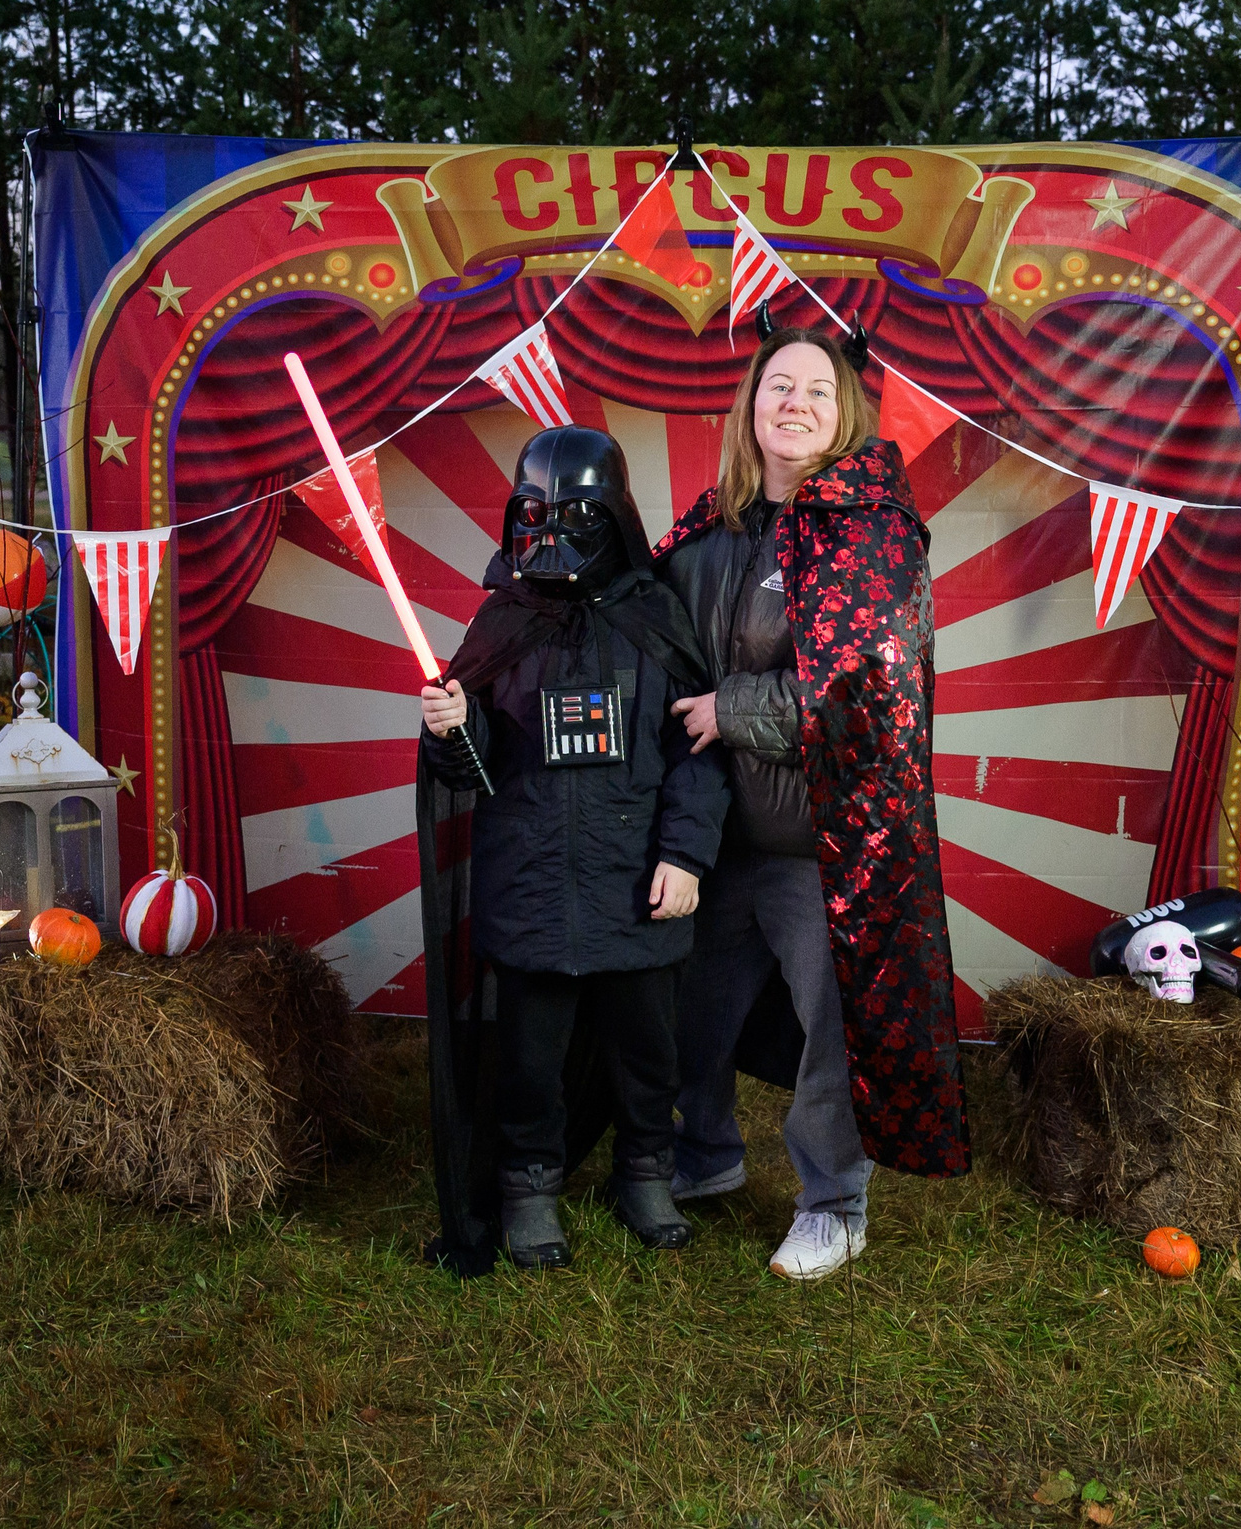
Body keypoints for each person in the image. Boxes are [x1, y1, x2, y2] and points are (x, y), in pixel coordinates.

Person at [653, 324, 970, 1283]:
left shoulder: (868, 533)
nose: (794, 402)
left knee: (835, 1030)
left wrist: (729, 707)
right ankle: (703, 1158)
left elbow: (870, 687)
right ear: (749, 406)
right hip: (720, 832)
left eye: (817, 392)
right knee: (692, 1011)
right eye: (777, 385)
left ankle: (835, 1202)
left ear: (843, 420)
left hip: (825, 841)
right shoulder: (711, 533)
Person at [415, 425, 728, 1274]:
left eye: (575, 518)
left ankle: (646, 1173)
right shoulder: (502, 620)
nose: (551, 538)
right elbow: (472, 764)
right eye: (535, 516)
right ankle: (528, 1188)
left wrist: (687, 856)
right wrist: (454, 724)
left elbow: (696, 753)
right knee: (528, 1058)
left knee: (647, 1052)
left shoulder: (655, 618)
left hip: (638, 885)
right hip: (533, 886)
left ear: (615, 518)